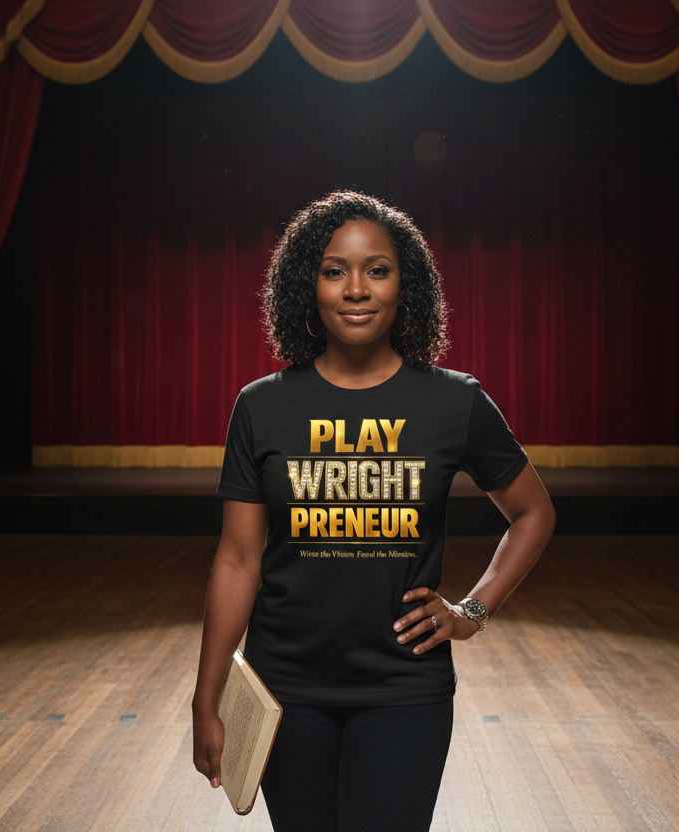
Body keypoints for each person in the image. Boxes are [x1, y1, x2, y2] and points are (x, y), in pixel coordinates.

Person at [192, 191, 555, 831]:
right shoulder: (261, 407)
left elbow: (532, 513)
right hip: (286, 690)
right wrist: (206, 697)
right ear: (309, 285)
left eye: (377, 270)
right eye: (335, 271)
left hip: (404, 690)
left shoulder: (453, 402)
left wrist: (473, 609)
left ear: (403, 284)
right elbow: (238, 558)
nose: (356, 289)